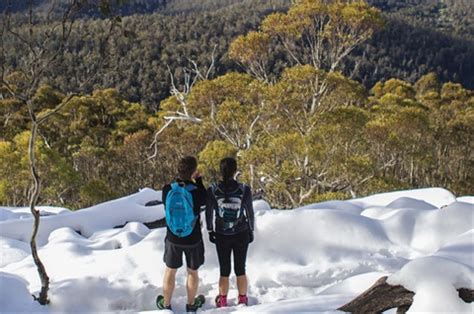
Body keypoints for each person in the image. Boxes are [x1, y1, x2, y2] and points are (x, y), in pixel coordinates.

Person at [157, 156, 207, 313]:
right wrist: (198, 181)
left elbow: (167, 205)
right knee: (192, 271)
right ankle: (191, 304)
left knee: (170, 270)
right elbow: (205, 199)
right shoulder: (196, 192)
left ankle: (166, 304)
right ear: (193, 172)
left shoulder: (167, 189)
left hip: (173, 238)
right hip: (193, 238)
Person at [206, 157, 255, 307]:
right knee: (241, 268)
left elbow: (209, 213)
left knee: (224, 269)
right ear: (235, 171)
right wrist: (251, 230)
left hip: (221, 234)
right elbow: (249, 212)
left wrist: (210, 230)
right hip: (241, 233)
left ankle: (222, 300)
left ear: (220, 171)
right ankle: (242, 298)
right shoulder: (244, 189)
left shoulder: (213, 190)